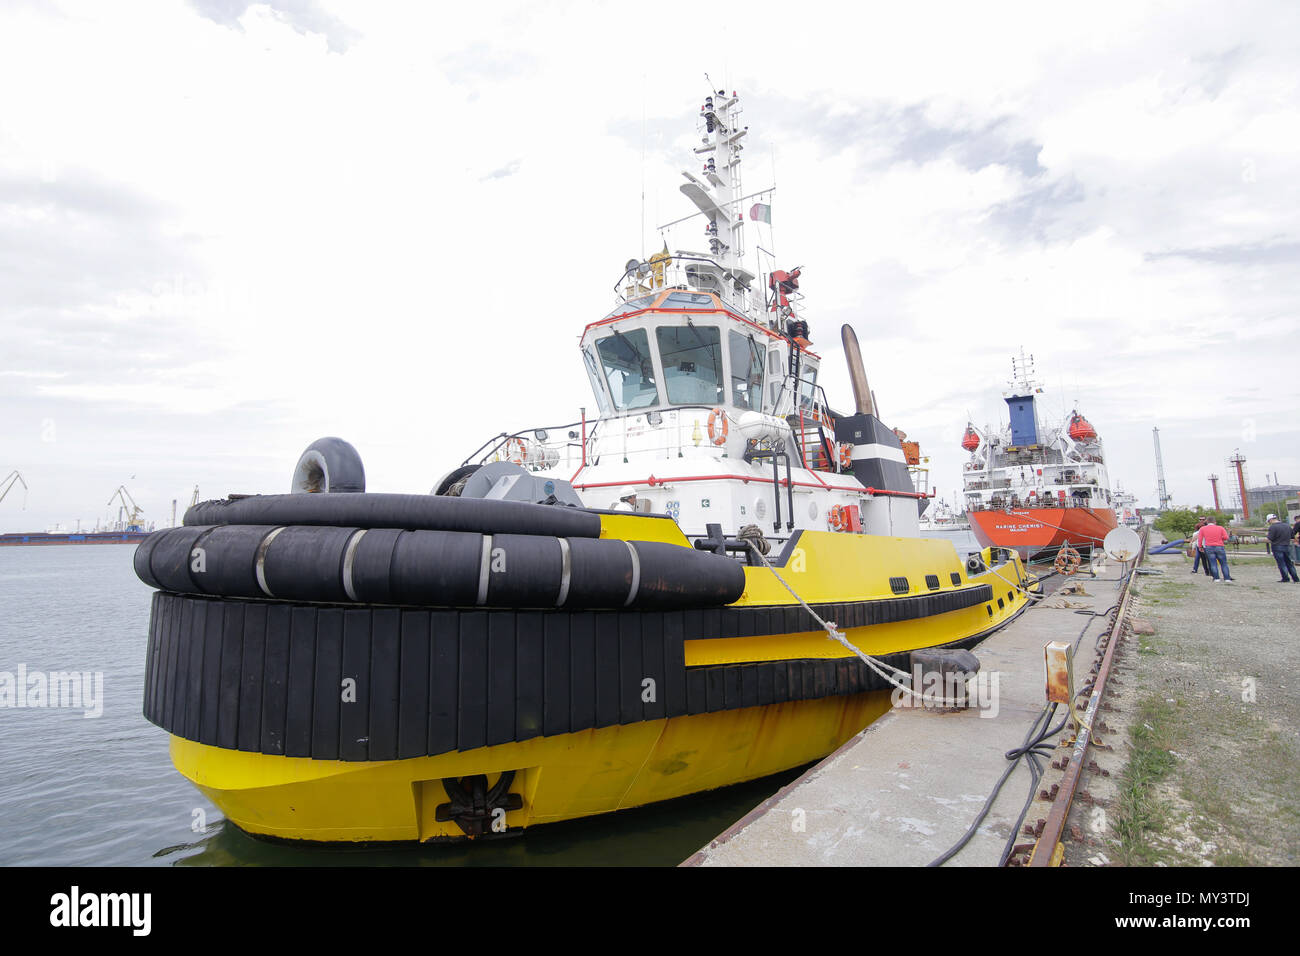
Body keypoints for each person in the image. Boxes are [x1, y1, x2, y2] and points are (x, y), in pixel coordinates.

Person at [1266, 514, 1299, 583]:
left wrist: (1267, 536)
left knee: (1281, 563)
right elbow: (1292, 536)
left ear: (1270, 520)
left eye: (1269, 521)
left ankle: (1285, 578)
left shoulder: (1273, 527)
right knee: (1289, 563)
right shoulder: (1287, 525)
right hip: (1287, 546)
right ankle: (1295, 578)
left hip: (1277, 546)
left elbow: (1269, 539)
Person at [1199, 517, 1233, 583]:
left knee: (1213, 563)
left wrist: (1200, 546)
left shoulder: (1202, 529)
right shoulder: (1220, 528)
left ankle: (1216, 578)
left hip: (1209, 547)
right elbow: (1226, 537)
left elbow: (1200, 538)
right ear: (1215, 522)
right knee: (1223, 563)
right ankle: (1227, 578)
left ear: (1207, 522)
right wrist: (1220, 538)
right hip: (1219, 546)